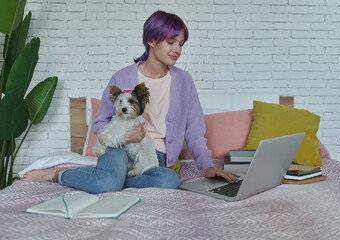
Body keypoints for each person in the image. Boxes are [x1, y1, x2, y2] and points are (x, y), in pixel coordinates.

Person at [22, 10, 239, 194]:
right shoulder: (122, 77)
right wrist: (124, 136)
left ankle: (112, 179)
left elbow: (194, 130)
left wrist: (208, 166)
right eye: (171, 42)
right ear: (151, 40)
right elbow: (100, 123)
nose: (177, 50)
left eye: (181, 44)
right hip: (118, 147)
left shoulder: (184, 81)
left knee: (169, 182)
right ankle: (61, 174)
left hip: (156, 156)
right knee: (106, 182)